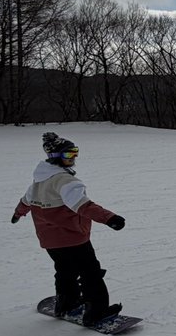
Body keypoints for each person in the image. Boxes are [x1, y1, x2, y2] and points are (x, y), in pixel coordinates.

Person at [12, 132, 126, 324]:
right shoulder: (66, 182)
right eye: (68, 154)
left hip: (50, 241)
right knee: (90, 272)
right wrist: (110, 218)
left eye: (75, 153)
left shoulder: (38, 182)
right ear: (55, 157)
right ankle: (97, 311)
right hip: (74, 238)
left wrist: (17, 214)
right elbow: (83, 205)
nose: (73, 158)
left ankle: (67, 303)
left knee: (65, 270)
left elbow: (25, 201)